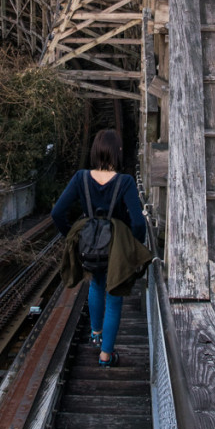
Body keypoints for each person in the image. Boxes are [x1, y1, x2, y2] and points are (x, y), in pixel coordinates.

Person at [51, 129, 147, 368]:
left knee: (95, 283)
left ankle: (96, 334)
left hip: (90, 246)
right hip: (115, 249)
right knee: (114, 298)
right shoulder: (125, 182)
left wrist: (74, 237)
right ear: (118, 152)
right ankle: (106, 355)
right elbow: (137, 221)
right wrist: (133, 248)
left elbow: (57, 213)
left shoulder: (80, 178)